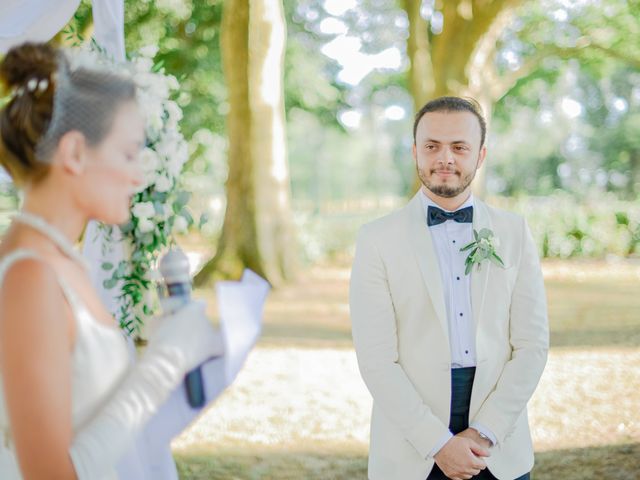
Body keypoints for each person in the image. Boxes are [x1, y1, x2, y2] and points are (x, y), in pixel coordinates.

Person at [0, 42, 223, 479]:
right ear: (75, 153)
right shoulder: (30, 276)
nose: (139, 174)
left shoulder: (58, 261)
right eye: (127, 153)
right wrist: (162, 366)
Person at [350, 96, 549, 480]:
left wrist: (485, 431)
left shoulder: (514, 233)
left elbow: (532, 345)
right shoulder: (376, 239)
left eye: (459, 147)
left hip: (499, 439)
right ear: (414, 152)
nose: (445, 158)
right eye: (432, 146)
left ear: (480, 155)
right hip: (410, 445)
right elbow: (376, 360)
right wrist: (438, 443)